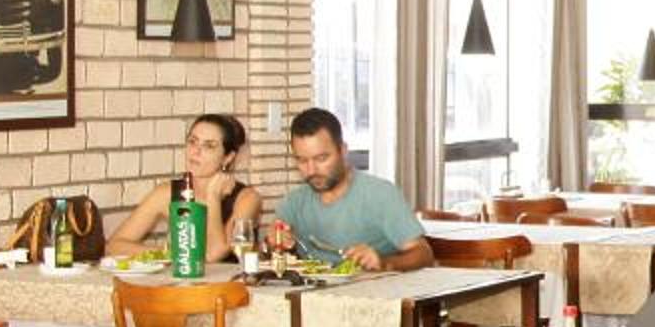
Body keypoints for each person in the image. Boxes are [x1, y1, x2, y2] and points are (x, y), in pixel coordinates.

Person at [279, 107, 432, 271]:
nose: (311, 171)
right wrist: (275, 244)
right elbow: (278, 253)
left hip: (371, 285)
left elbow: (424, 254)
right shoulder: (294, 202)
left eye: (321, 158)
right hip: (313, 287)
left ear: (343, 150)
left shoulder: (380, 195)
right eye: (302, 161)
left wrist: (383, 262)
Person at [108, 113, 262, 263]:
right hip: (183, 280)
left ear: (228, 158)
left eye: (209, 146)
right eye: (192, 141)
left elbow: (213, 254)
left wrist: (213, 196)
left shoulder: (247, 198)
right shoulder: (167, 192)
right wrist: (169, 254)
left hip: (232, 280)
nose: (196, 151)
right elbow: (113, 246)